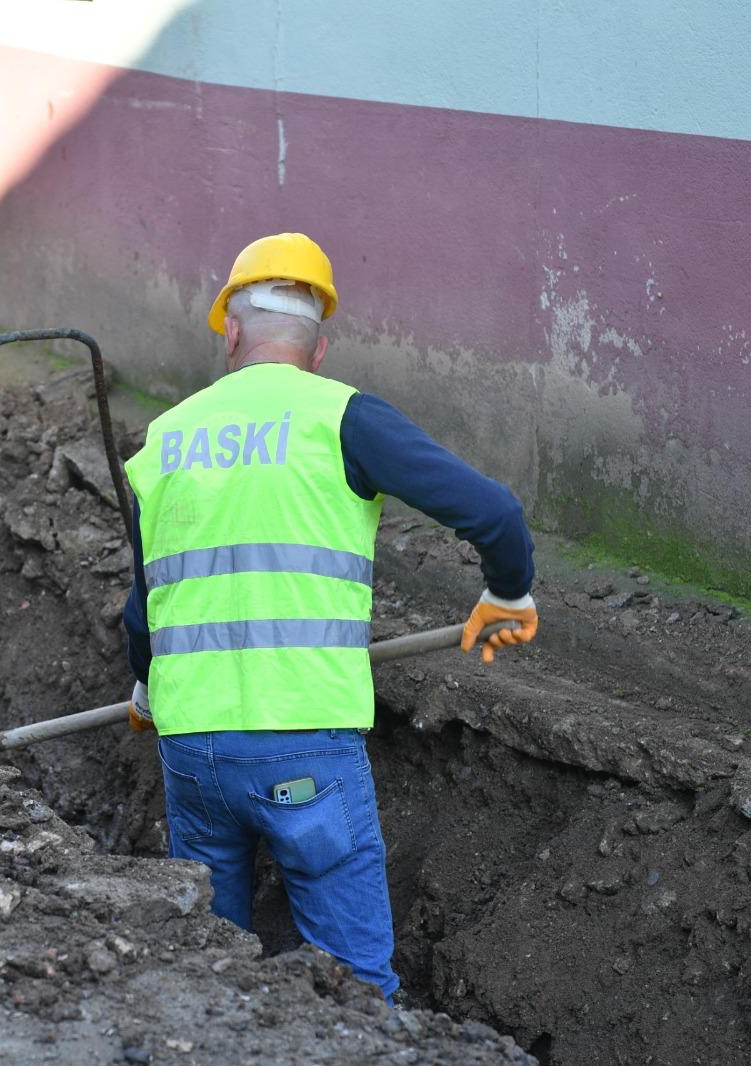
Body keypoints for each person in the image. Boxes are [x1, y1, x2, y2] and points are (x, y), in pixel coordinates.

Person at [120, 232, 538, 1000]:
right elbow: (496, 513)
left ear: (232, 332)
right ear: (317, 351)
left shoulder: (167, 436)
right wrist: (507, 593)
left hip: (192, 749)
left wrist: (146, 689)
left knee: (211, 965)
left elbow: (145, 604)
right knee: (352, 985)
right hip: (302, 745)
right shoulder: (342, 417)